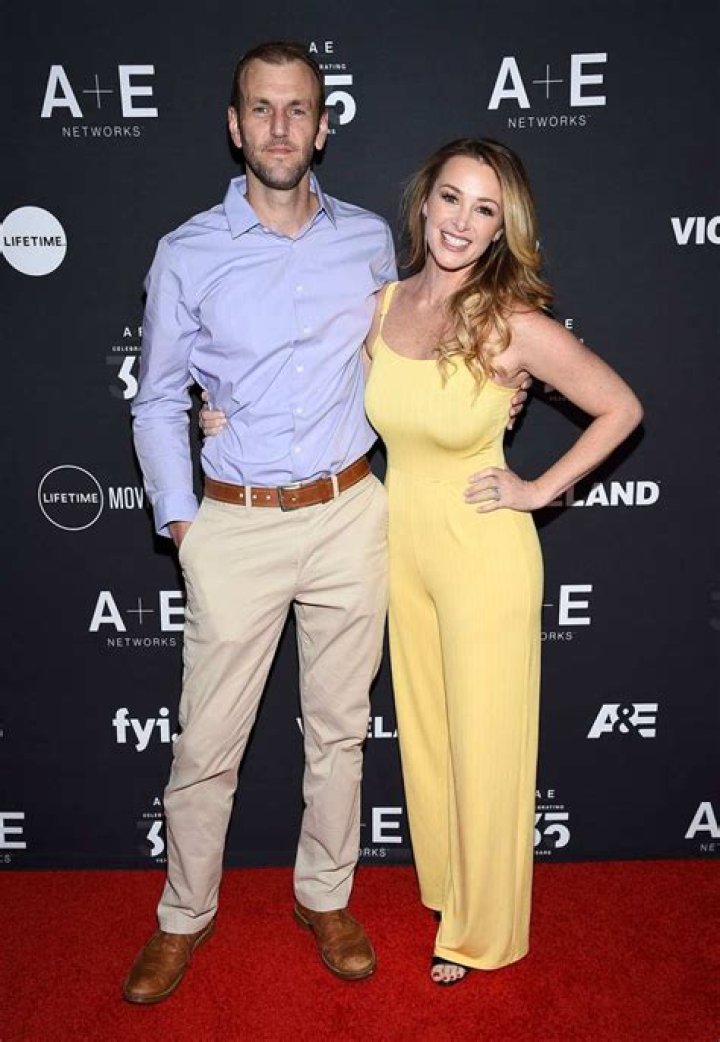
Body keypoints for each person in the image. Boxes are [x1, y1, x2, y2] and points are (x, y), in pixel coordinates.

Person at [124, 40, 528, 1004]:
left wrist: (499, 387)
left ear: (323, 126)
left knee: (341, 733)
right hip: (237, 524)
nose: (280, 127)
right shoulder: (187, 252)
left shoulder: (369, 242)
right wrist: (182, 523)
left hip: (353, 514)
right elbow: (157, 398)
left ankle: (326, 897)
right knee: (206, 745)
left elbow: (419, 343)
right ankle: (183, 914)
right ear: (235, 127)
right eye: (261, 109)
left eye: (297, 109)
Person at [203, 137, 643, 987]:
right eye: (451, 198)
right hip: (397, 544)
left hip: (483, 552)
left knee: (486, 744)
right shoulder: (381, 307)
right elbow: (297, 381)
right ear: (424, 203)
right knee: (432, 742)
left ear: (502, 228)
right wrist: (219, 414)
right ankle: (448, 890)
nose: (462, 222)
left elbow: (620, 407)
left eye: (485, 209)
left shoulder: (512, 324)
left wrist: (536, 490)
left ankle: (483, 933)